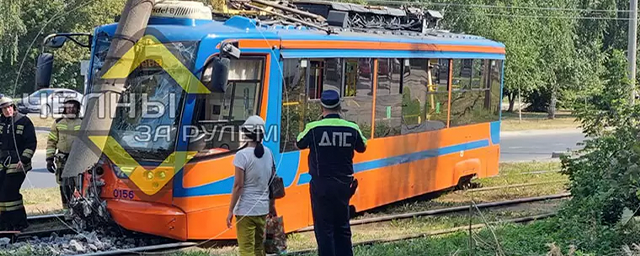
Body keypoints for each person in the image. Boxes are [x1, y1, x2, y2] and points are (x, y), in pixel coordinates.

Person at [295, 90, 367, 256]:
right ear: (339, 106)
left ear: (322, 107)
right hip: (344, 185)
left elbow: (299, 142)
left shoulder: (313, 128)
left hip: (321, 185)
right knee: (342, 226)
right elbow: (362, 147)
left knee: (324, 228)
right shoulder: (352, 128)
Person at [226, 115, 275, 256]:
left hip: (245, 210)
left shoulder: (242, 155)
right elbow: (271, 182)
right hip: (263, 209)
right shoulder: (269, 153)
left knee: (246, 250)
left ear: (246, 133)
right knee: (259, 248)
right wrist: (272, 206)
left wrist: (230, 210)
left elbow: (238, 186)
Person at [0, 96, 36, 231]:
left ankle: (19, 223)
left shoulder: (24, 121)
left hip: (19, 163)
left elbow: (31, 143)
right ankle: (4, 223)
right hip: (3, 161)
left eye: (9, 107)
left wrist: (24, 159)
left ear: (13, 107)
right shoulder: (1, 122)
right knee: (1, 192)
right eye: (3, 109)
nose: (7, 110)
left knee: (10, 192)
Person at [46, 98, 82, 209]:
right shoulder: (58, 123)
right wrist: (49, 159)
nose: (70, 110)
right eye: (68, 107)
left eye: (73, 107)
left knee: (82, 187)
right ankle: (67, 213)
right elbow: (51, 141)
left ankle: (82, 212)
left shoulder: (83, 122)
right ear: (64, 109)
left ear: (77, 109)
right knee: (65, 188)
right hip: (63, 161)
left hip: (80, 161)